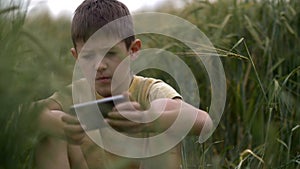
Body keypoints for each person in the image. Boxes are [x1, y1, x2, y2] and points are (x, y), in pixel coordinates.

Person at [35, 0, 213, 169]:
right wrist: (50, 122)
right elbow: (22, 111)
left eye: (111, 53)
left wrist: (146, 120)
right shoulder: (75, 93)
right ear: (76, 57)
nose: (100, 66)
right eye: (88, 56)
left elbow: (205, 122)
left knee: (164, 119)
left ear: (133, 50)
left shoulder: (149, 90)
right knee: (47, 125)